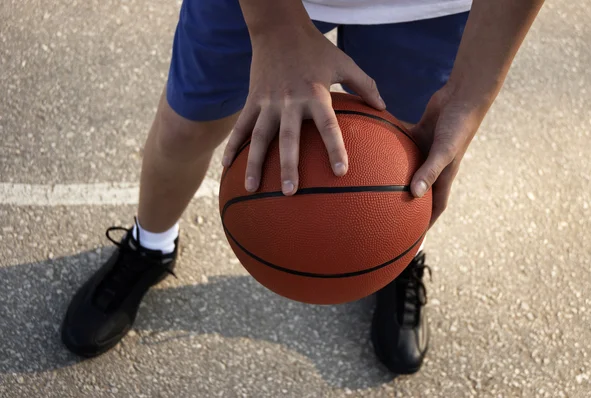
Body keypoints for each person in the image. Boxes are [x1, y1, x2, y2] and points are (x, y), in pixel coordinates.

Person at [61, 0, 544, 374]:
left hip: (426, 7)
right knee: (188, 127)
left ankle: (394, 257)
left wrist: (473, 90)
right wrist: (275, 26)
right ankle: (151, 244)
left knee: (401, 161)